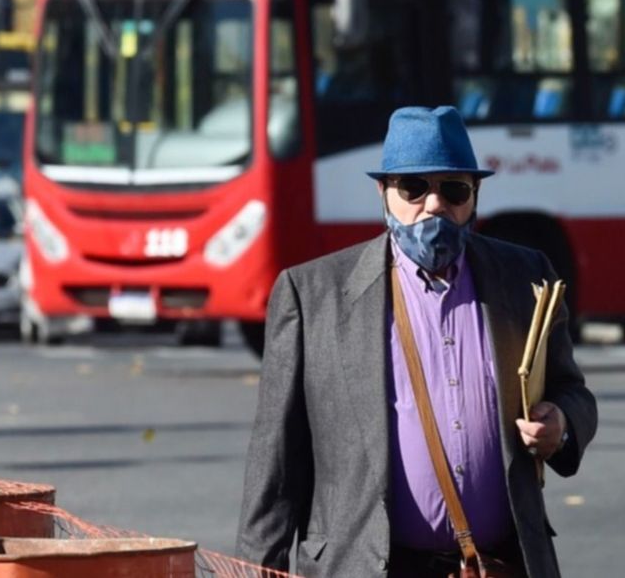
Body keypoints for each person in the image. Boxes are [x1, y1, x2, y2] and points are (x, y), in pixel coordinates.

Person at [236, 106, 597, 577]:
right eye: (413, 188)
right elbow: (276, 469)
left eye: (453, 189)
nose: (433, 205)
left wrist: (563, 423)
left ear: (475, 196)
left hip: (498, 565)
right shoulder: (312, 296)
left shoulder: (526, 277)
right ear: (383, 193)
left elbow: (573, 392)